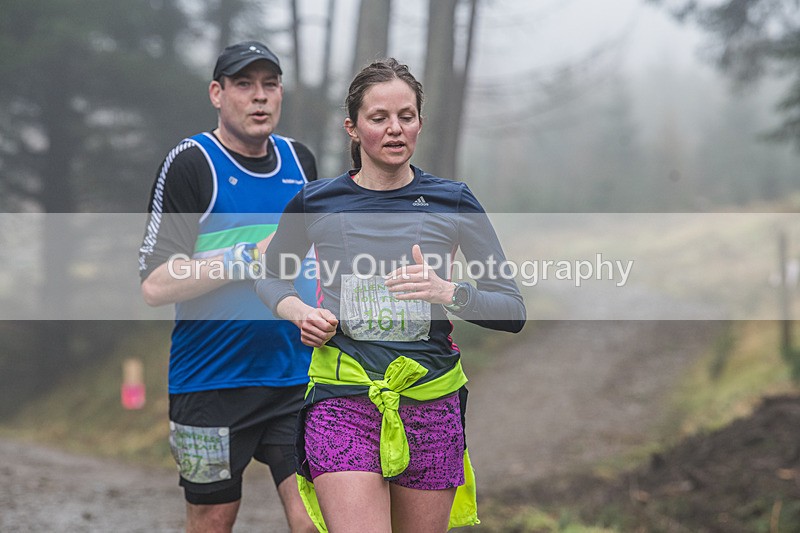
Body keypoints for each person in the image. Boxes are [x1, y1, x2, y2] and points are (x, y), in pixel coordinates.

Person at [255, 58, 526, 532]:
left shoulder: (453, 200)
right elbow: (270, 275)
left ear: (420, 122)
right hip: (343, 396)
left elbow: (512, 309)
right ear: (353, 127)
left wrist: (448, 291)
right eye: (379, 117)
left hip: (430, 400)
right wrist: (299, 312)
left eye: (406, 116)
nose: (395, 128)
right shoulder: (315, 201)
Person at [138, 41, 317, 533]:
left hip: (296, 379)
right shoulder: (191, 162)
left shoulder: (300, 161)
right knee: (213, 522)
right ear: (217, 94)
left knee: (315, 520)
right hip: (210, 384)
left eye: (270, 85)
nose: (259, 96)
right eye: (244, 85)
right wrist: (245, 256)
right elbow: (155, 283)